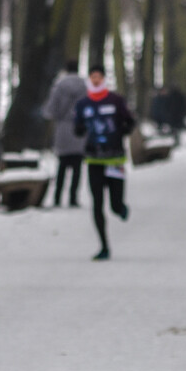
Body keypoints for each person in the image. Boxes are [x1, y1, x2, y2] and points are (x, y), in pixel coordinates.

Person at [73, 64, 135, 260]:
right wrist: (81, 130)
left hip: (115, 158)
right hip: (94, 160)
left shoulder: (116, 100)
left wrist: (120, 133)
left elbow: (130, 122)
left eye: (99, 77)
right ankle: (104, 246)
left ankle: (121, 208)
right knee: (97, 204)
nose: (96, 80)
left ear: (104, 79)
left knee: (115, 204)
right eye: (92, 77)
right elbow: (78, 128)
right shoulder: (83, 104)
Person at [42, 59, 87, 207]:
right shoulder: (84, 85)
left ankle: (57, 197)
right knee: (77, 166)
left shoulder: (60, 85)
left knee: (62, 165)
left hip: (63, 128)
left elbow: (51, 109)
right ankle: (73, 198)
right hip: (79, 129)